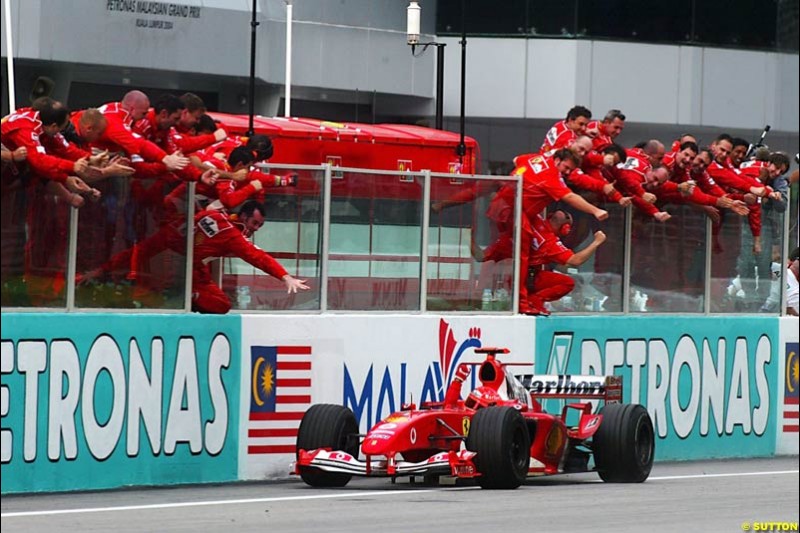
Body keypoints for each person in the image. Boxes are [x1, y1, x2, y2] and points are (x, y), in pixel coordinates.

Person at [472, 209, 607, 316]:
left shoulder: (535, 218)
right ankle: (535, 301)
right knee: (568, 282)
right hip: (524, 279)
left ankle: (528, 301)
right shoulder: (550, 243)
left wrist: (469, 238)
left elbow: (480, 257)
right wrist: (596, 242)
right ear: (565, 228)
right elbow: (575, 261)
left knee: (482, 257)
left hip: (510, 271)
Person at [192, 200, 309, 313]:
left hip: (193, 267)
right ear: (243, 216)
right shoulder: (233, 236)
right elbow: (259, 257)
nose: (257, 228)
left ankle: (190, 296)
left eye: (260, 225)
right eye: (255, 223)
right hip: (194, 271)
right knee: (222, 305)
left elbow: (196, 218)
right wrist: (286, 277)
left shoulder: (215, 214)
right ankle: (188, 295)